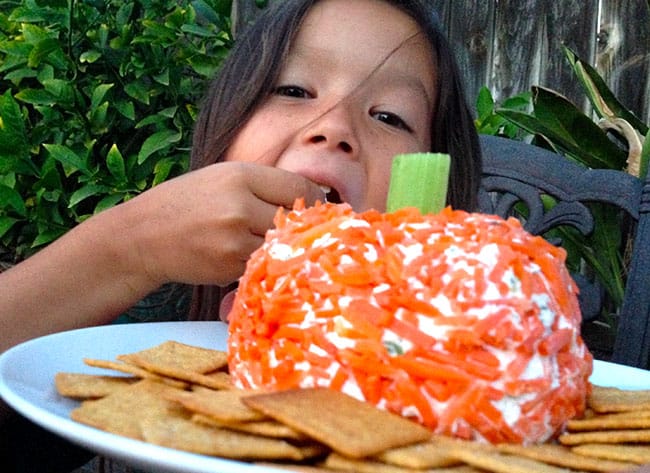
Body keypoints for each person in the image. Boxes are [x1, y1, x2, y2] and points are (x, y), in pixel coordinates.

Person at [1, 0, 481, 470]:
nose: (334, 128)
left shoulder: (479, 378)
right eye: (293, 90)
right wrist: (132, 247)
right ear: (224, 132)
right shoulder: (137, 327)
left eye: (390, 116)